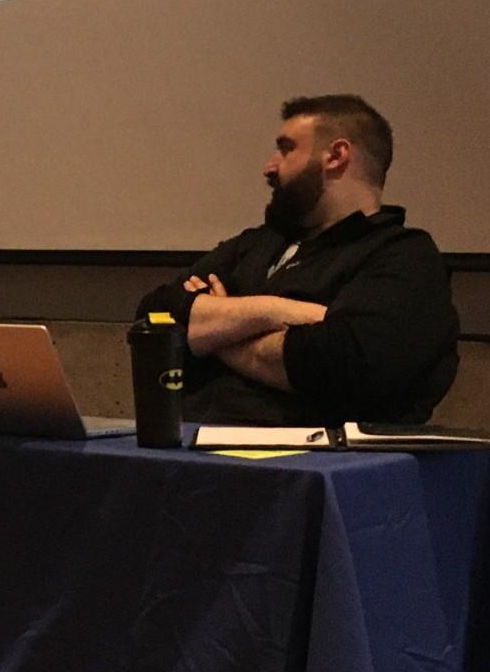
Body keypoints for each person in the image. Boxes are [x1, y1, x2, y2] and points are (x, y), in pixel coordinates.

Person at [135, 95, 460, 426]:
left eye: (287, 149)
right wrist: (279, 311)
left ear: (336, 155)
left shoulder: (404, 257)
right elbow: (153, 316)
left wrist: (214, 333)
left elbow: (339, 365)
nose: (269, 166)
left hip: (309, 464)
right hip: (193, 451)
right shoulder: (257, 245)